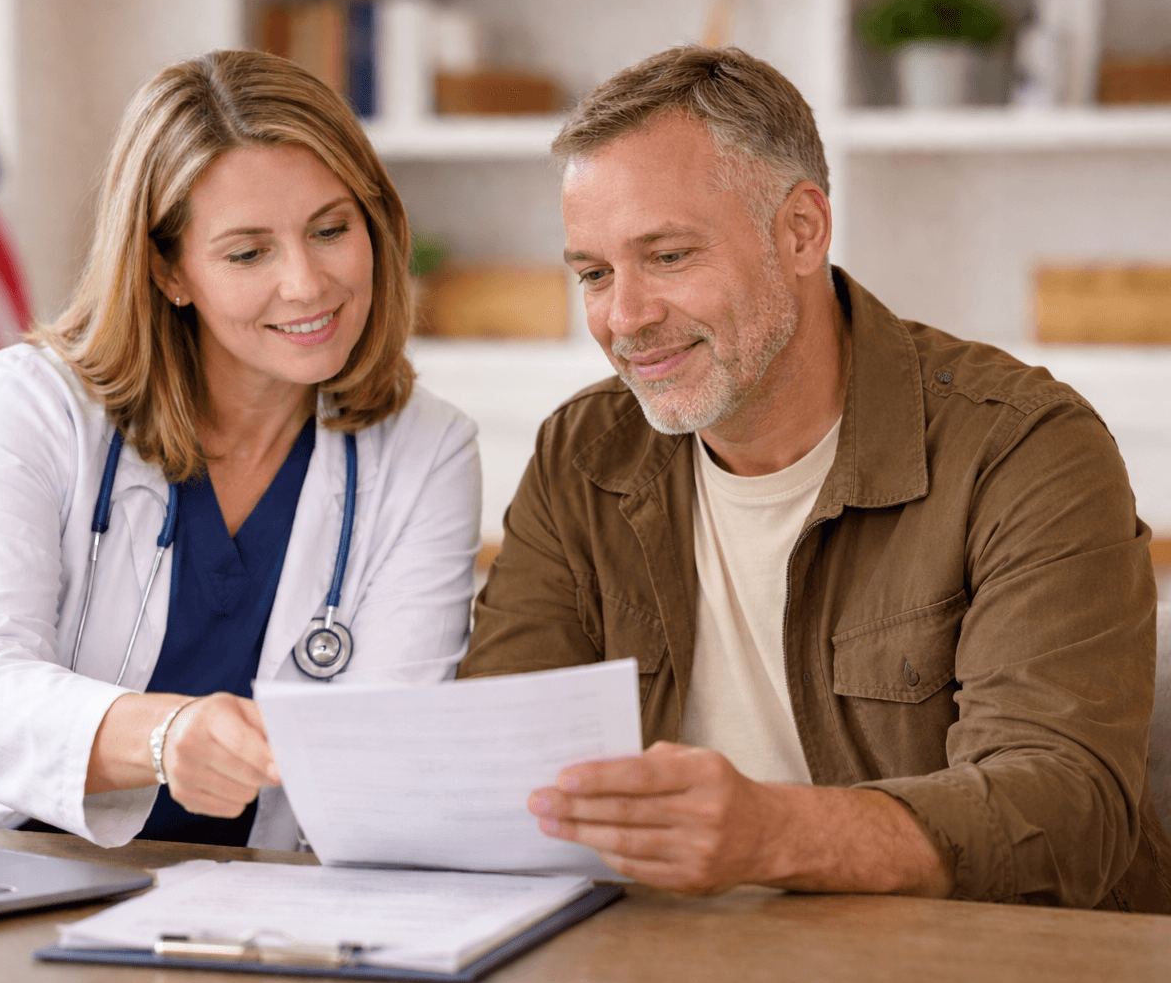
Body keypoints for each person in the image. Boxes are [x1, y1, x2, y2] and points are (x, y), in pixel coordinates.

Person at [460, 45, 1171, 911]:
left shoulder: (1024, 450)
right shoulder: (582, 454)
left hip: (964, 977)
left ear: (801, 230)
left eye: (671, 256)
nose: (625, 318)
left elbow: (1065, 814)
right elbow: (494, 763)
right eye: (595, 274)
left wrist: (775, 834)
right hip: (658, 968)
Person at [0, 50, 481, 849]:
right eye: (249, 253)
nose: (308, 284)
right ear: (169, 269)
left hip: (229, 902)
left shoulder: (429, 450)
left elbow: (385, 751)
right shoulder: (35, 403)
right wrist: (161, 737)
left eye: (331, 230)